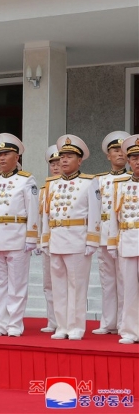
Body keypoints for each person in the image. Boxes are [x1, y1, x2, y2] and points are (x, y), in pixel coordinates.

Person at [41, 135, 101, 340]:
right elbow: (47, 214)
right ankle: (62, 325)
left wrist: (92, 240)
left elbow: (95, 213)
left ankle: (75, 326)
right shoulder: (52, 184)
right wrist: (45, 239)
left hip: (77, 239)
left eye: (69, 156)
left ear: (80, 160)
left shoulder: (89, 183)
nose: (64, 160)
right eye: (62, 157)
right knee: (58, 286)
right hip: (56, 238)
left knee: (76, 286)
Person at [0, 133, 39, 337]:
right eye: (0, 154)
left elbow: (33, 209)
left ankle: (15, 324)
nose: (2, 158)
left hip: (17, 236)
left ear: (17, 157)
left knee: (16, 284)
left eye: (7, 154)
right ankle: (0, 323)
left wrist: (32, 237)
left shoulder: (26, 180)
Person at [93, 131, 131, 335]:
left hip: (124, 236)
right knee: (107, 281)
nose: (119, 154)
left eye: (122, 151)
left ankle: (126, 322)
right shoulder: (99, 180)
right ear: (108, 155)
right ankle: (108, 322)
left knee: (125, 280)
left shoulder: (132, 179)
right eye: (115, 150)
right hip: (104, 235)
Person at [107, 134, 139, 344]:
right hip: (127, 240)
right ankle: (130, 330)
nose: (138, 161)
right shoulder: (120, 184)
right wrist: (112, 243)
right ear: (128, 161)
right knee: (128, 289)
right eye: (134, 158)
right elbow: (113, 217)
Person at [36, 145, 61, 333]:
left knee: (65, 283)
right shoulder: (44, 190)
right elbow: (40, 218)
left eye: (59, 162)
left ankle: (64, 321)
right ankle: (52, 320)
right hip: (49, 240)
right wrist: (39, 240)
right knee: (48, 283)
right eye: (52, 163)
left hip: (67, 239)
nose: (56, 166)